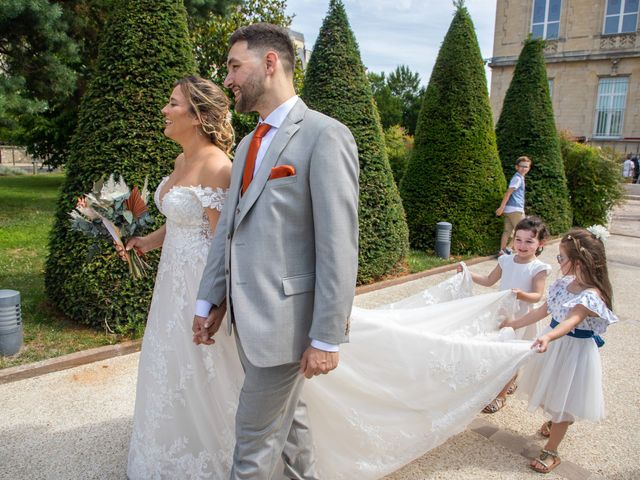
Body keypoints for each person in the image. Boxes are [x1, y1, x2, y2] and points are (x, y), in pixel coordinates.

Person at [192, 23, 359, 479]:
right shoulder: (248, 143)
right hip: (248, 321)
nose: (227, 79)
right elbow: (230, 228)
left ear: (270, 64)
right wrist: (211, 299)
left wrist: (326, 337)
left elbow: (338, 243)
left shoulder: (326, 136)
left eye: (233, 66)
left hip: (289, 323)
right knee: (290, 424)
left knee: (252, 443)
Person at [124, 76, 243, 479]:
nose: (164, 110)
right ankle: (173, 445)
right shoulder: (180, 162)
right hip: (170, 283)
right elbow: (180, 224)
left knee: (205, 368)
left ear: (197, 117)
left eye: (173, 104)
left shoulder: (218, 167)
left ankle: (217, 454)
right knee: (171, 361)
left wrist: (213, 302)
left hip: (198, 286)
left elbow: (224, 245)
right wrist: (146, 241)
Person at [501, 227, 617, 474]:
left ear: (578, 261)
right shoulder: (564, 284)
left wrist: (549, 336)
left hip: (573, 351)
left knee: (564, 400)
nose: (558, 261)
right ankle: (556, 421)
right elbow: (543, 311)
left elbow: (572, 320)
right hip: (554, 346)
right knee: (550, 390)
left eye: (561, 257)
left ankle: (552, 450)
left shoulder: (592, 295)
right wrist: (513, 324)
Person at [457, 216, 551, 413]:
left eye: (529, 241)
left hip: (521, 317)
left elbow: (537, 296)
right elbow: (489, 280)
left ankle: (500, 396)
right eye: (518, 239)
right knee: (497, 351)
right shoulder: (506, 260)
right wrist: (467, 273)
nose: (522, 245)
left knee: (510, 356)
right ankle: (507, 381)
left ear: (540, 243)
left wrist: (521, 294)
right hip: (501, 312)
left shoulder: (538, 268)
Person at [496, 156, 531, 255]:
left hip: (509, 209)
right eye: (522, 166)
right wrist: (501, 207)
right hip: (515, 209)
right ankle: (508, 249)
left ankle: (502, 251)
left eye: (526, 167)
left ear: (529, 168)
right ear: (516, 167)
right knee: (523, 230)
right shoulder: (517, 178)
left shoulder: (519, 177)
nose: (524, 168)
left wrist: (504, 208)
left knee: (507, 231)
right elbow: (508, 192)